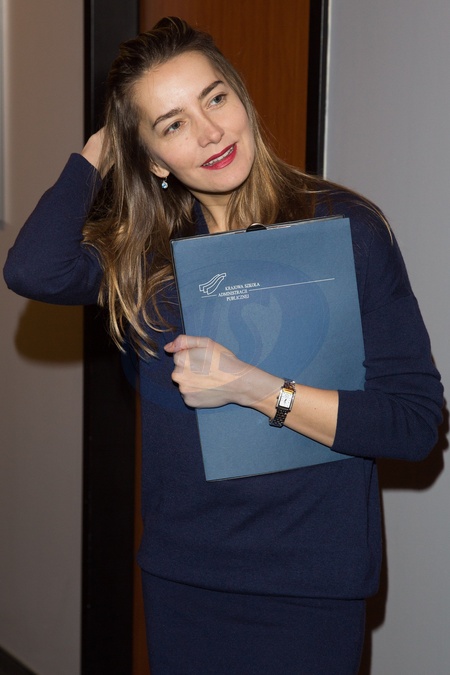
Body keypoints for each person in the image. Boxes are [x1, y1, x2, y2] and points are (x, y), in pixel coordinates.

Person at [3, 16, 443, 674]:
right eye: (172, 124)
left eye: (215, 98)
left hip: (310, 586)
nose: (210, 131)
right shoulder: (148, 259)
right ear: (153, 159)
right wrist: (98, 151)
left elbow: (413, 424)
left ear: (241, 98)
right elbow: (32, 269)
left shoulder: (344, 230)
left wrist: (256, 389)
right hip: (185, 578)